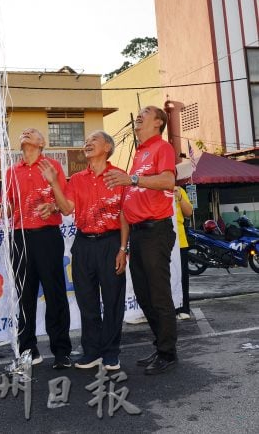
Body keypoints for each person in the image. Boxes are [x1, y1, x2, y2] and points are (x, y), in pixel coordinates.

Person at [40, 131, 128, 371]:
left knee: (112, 300)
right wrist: (54, 182)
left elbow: (123, 215)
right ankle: (92, 351)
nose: (87, 143)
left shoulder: (119, 177)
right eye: (86, 141)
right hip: (83, 244)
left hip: (111, 243)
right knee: (86, 300)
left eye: (94, 140)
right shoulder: (77, 179)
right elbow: (67, 208)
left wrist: (123, 249)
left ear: (107, 147)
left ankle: (111, 352)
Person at [104, 105, 177, 376]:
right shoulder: (140, 152)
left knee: (158, 295)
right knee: (145, 297)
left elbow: (168, 181)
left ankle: (168, 353)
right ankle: (160, 347)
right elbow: (128, 201)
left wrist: (133, 178)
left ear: (158, 122)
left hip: (156, 230)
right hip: (138, 233)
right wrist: (124, 246)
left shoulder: (163, 148)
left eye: (145, 112)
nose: (138, 116)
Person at [5, 128, 71, 369]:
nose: (27, 133)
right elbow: (9, 208)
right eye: (25, 132)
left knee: (55, 294)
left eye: (33, 132)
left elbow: (64, 203)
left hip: (47, 236)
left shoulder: (52, 166)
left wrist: (52, 207)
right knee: (25, 295)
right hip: (20, 238)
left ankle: (62, 350)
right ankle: (28, 349)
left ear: (42, 143)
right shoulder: (11, 171)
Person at [174, 186, 193, 320]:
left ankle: (183, 307)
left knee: (182, 277)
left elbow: (188, 213)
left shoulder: (179, 190)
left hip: (179, 241)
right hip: (160, 241)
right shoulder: (153, 188)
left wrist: (180, 197)